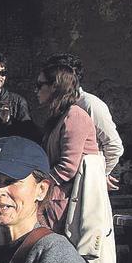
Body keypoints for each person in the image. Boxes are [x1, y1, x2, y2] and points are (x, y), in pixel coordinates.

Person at [36, 61, 101, 231]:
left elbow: (68, 166)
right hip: (56, 197)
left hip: (68, 200)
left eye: (40, 85)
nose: (36, 90)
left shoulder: (74, 116)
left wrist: (39, 187)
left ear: (55, 87)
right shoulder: (58, 117)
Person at [48, 53, 124, 190]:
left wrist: (101, 175)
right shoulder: (59, 106)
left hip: (86, 182)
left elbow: (113, 144)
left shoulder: (90, 104)